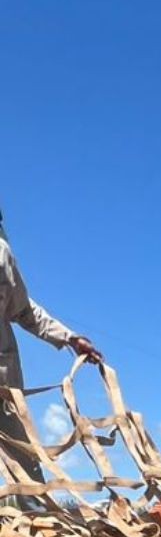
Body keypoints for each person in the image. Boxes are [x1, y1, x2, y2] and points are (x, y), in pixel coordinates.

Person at [0, 205, 102, 481]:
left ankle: (38, 518)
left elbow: (23, 309)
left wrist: (69, 337)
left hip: (2, 389)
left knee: (24, 466)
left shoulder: (0, 254)